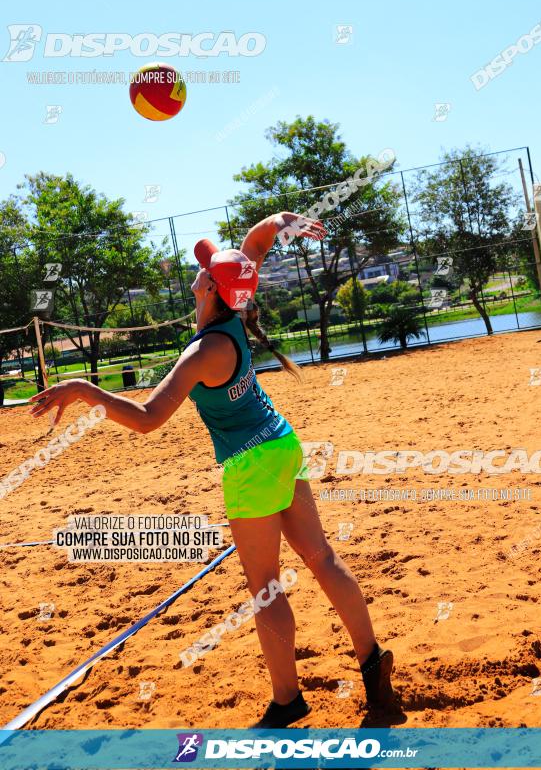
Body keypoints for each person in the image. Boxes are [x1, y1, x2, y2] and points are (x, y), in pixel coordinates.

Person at [30, 211, 399, 728]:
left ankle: (288, 701)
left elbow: (147, 419)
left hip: (250, 465)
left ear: (211, 290)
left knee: (266, 586)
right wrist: (276, 222)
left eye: (205, 272)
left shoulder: (203, 352)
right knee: (321, 558)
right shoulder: (235, 316)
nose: (198, 271)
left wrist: (84, 390)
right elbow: (250, 253)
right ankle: (371, 661)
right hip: (282, 444)